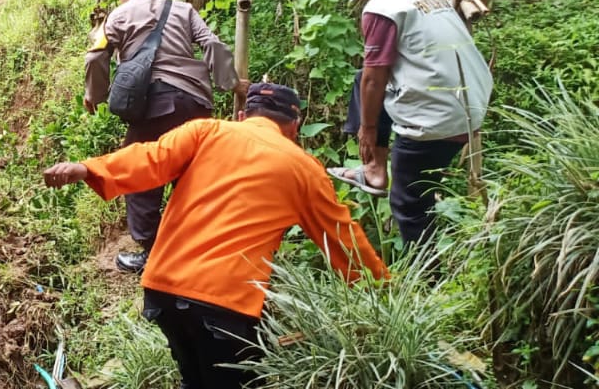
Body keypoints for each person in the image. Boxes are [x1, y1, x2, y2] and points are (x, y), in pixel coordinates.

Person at [43, 83, 389, 389]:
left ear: (242, 114)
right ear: (294, 126)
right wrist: (383, 292)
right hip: (226, 305)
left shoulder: (206, 131)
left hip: (162, 289)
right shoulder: (303, 168)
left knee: (195, 379)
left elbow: (149, 159)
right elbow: (344, 241)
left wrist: (90, 168)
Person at [325, 0, 492, 246]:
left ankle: (428, 284)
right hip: (467, 107)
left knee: (408, 204)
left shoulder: (383, 7)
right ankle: (375, 171)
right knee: (363, 78)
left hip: (434, 120)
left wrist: (368, 130)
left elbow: (376, 77)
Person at [84, 0, 246, 273]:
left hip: (156, 103)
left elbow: (95, 55)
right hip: (197, 104)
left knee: (138, 173)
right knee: (193, 178)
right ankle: (202, 251)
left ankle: (156, 256)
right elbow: (211, 44)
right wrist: (232, 83)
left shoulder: (119, 14)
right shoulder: (183, 9)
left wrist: (95, 94)